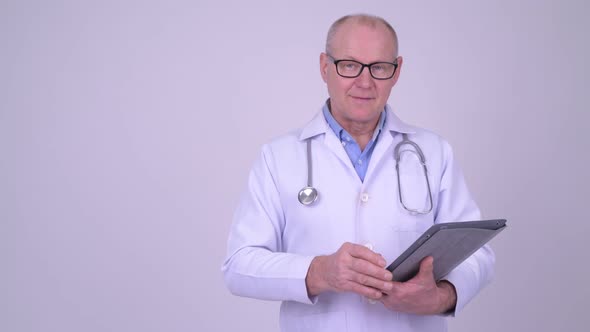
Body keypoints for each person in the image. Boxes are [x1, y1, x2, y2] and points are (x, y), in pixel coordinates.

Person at [222, 13, 495, 332]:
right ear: (325, 66)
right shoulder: (278, 157)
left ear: (397, 71)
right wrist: (318, 272)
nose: (365, 82)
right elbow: (238, 266)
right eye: (349, 65)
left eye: (379, 67)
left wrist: (442, 297)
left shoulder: (434, 153)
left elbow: (478, 254)